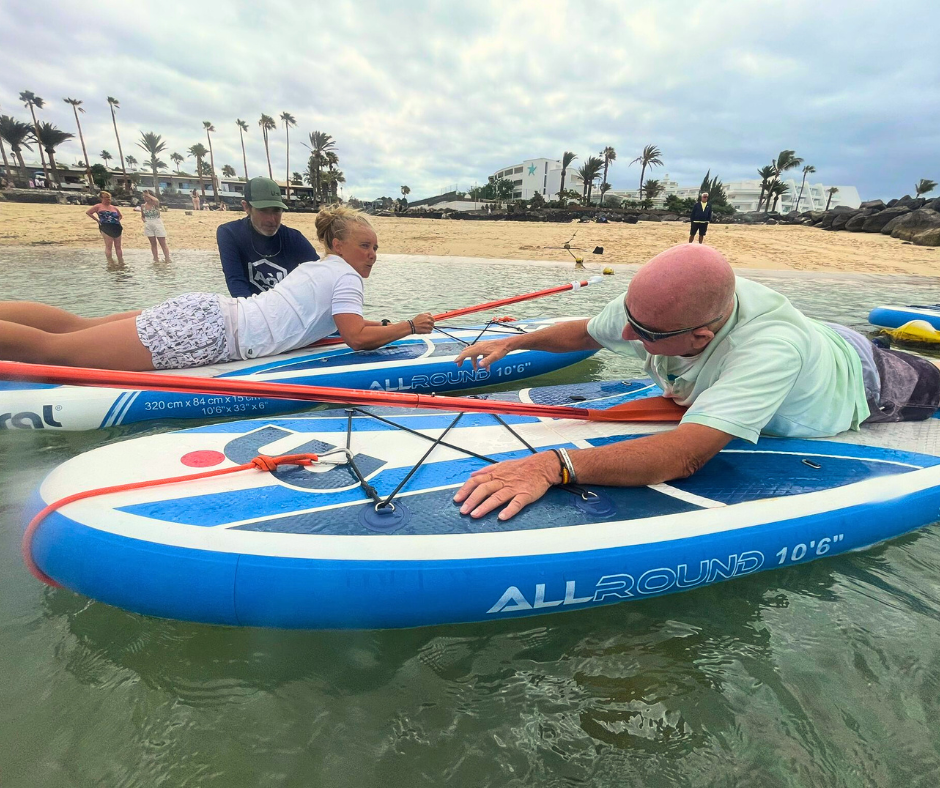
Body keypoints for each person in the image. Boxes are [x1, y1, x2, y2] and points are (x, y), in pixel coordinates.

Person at [452, 244, 940, 521]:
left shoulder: (767, 349)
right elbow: (587, 331)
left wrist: (551, 466)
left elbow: (685, 455)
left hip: (867, 378)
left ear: (702, 336)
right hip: (818, 339)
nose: (625, 336)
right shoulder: (649, 308)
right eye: (630, 320)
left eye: (643, 336)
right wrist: (513, 345)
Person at [0, 206, 434, 371]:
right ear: (338, 244)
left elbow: (319, 323)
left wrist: (369, 326)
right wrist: (409, 325)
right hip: (209, 335)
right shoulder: (346, 278)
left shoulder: (318, 267)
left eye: (376, 246)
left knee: (76, 326)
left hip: (206, 313)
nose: (373, 254)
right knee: (52, 352)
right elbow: (357, 338)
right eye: (365, 245)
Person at [217, 176, 320, 297]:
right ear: (246, 207)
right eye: (263, 210)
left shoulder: (293, 238)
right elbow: (236, 282)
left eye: (276, 210)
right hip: (250, 308)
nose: (271, 219)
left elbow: (319, 274)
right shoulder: (230, 233)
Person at [86, 191, 124, 265]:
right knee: (109, 245)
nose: (108, 199)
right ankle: (110, 263)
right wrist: (97, 220)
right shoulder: (98, 206)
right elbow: (88, 212)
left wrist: (117, 220)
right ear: (101, 198)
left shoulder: (113, 207)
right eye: (106, 197)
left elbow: (120, 215)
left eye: (109, 197)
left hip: (116, 226)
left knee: (118, 246)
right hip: (105, 226)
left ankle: (121, 262)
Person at [140, 190, 171, 263]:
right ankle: (155, 258)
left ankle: (167, 258)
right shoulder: (143, 206)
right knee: (153, 243)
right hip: (148, 224)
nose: (145, 198)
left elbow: (157, 200)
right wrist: (143, 219)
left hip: (157, 223)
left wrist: (148, 195)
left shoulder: (155, 204)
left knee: (162, 242)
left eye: (146, 196)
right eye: (144, 196)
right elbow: (142, 216)